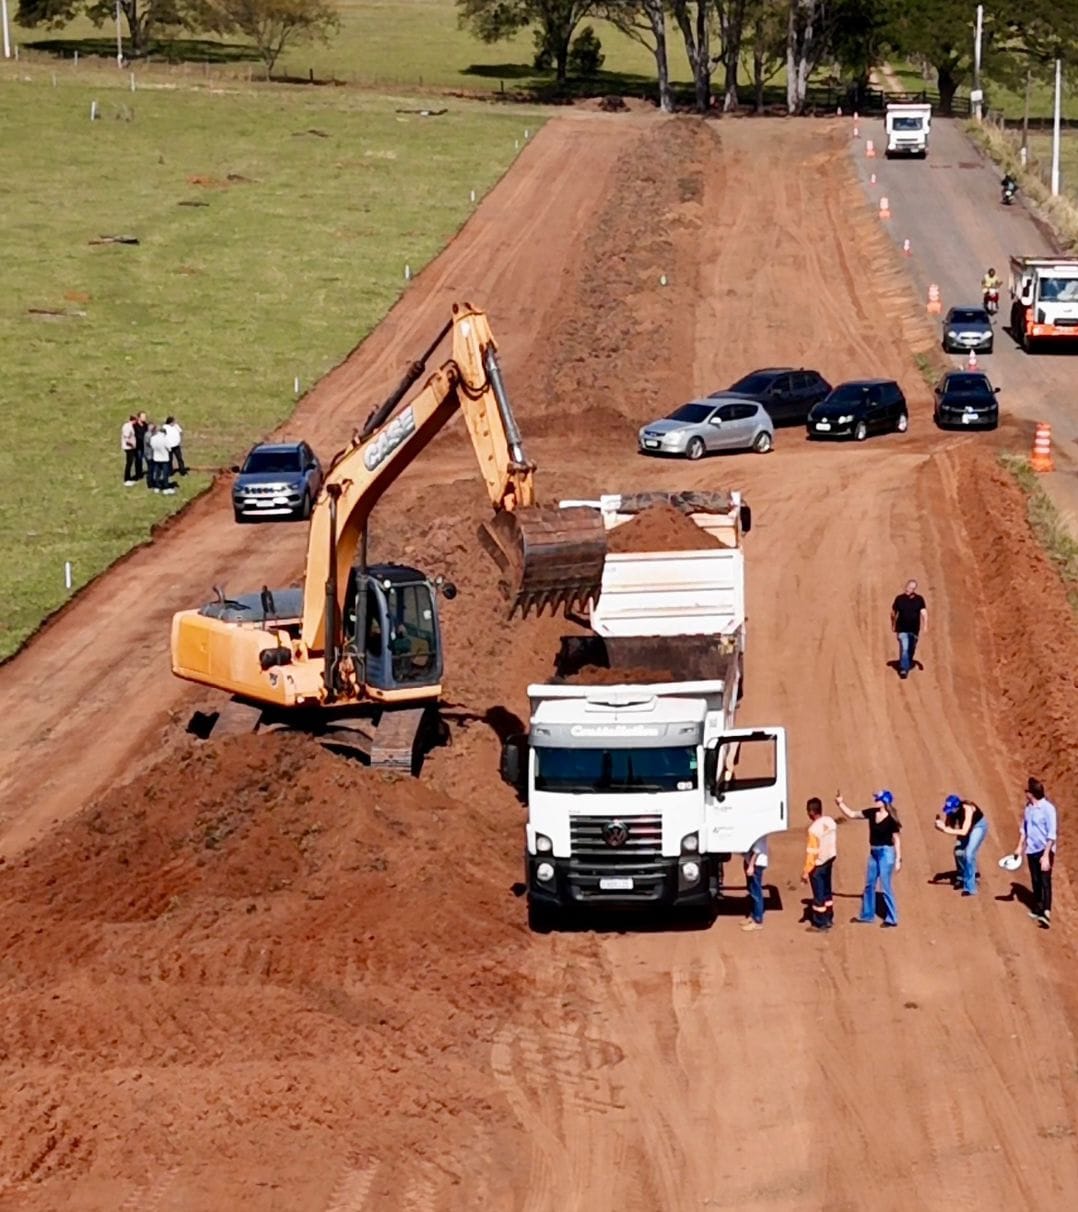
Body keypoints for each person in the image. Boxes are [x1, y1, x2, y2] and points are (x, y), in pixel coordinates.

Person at [837, 789, 902, 927]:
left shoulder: (891, 820)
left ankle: (892, 918)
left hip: (886, 854)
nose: (875, 800)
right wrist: (840, 804)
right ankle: (867, 915)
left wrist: (898, 859)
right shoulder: (872, 813)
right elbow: (852, 814)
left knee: (885, 887)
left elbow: (896, 840)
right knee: (869, 885)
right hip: (874, 853)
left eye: (878, 799)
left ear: (885, 801)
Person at [1015, 777, 1057, 929]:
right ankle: (1038, 907)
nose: (1025, 792)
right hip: (1031, 849)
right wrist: (1020, 847)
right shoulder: (1028, 808)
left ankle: (1046, 912)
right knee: (1035, 880)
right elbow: (1024, 829)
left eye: (1027, 790)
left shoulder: (1048, 809)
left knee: (1045, 881)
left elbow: (1052, 834)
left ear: (1032, 793)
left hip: (1044, 850)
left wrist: (1046, 856)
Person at [935, 795, 988, 896]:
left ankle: (970, 888)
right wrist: (940, 826)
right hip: (967, 829)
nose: (949, 812)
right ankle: (962, 875)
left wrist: (945, 829)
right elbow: (948, 827)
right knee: (958, 852)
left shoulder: (968, 809)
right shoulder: (951, 813)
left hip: (978, 827)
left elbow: (963, 832)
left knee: (969, 854)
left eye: (951, 810)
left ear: (957, 807)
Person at [802, 797, 837, 931]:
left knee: (819, 895)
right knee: (827, 891)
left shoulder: (813, 830)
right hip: (829, 860)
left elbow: (812, 853)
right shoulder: (830, 822)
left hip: (818, 864)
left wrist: (806, 871)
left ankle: (819, 923)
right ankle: (829, 918)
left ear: (811, 812)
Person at [891, 579, 927, 680]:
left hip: (914, 630)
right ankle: (903, 669)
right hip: (902, 629)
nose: (908, 589)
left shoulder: (919, 599)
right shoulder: (899, 599)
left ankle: (907, 661)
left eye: (911, 588)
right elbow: (893, 612)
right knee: (905, 648)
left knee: (911, 649)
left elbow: (924, 612)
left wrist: (925, 625)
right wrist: (893, 624)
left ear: (914, 590)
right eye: (907, 587)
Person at [741, 835, 769, 932]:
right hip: (751, 862)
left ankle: (758, 921)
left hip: (757, 864)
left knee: (756, 893)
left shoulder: (760, 832)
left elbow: (757, 850)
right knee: (752, 891)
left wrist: (751, 865)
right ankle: (752, 916)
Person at [148, 425, 175, 495]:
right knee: (165, 474)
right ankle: (166, 488)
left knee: (157, 473)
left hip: (156, 458)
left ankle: (157, 487)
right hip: (164, 459)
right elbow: (169, 448)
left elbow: (152, 446)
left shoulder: (153, 438)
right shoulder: (165, 438)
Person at [121, 415, 138, 485]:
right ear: (133, 420)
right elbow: (126, 438)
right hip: (129, 448)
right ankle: (126, 479)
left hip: (130, 447)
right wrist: (132, 444)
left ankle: (128, 478)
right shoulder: (128, 427)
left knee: (130, 463)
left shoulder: (128, 426)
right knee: (129, 463)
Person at [132, 411, 149, 481]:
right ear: (139, 417)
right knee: (138, 460)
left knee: (148, 459)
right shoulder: (135, 426)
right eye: (143, 416)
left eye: (145, 416)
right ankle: (138, 474)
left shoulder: (145, 424)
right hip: (138, 446)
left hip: (145, 445)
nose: (145, 418)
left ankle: (150, 472)